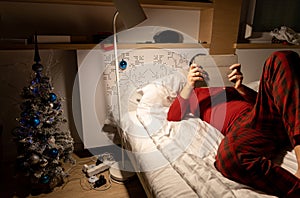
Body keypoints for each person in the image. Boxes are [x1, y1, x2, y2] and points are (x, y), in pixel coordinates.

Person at [167, 50, 300, 197]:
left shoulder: (229, 86)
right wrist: (189, 84)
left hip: (268, 117)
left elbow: (264, 103)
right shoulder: (194, 94)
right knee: (228, 158)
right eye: (202, 68)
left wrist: (240, 87)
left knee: (282, 57)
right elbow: (173, 115)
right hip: (248, 129)